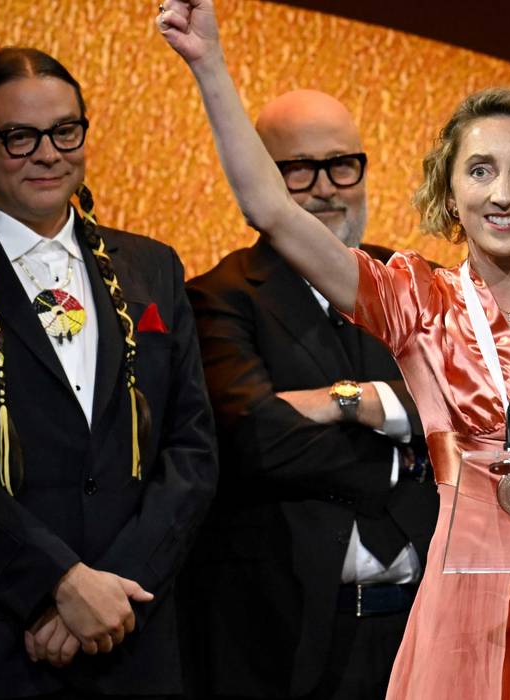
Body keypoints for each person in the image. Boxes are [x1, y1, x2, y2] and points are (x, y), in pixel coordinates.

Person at [158, 2, 510, 697]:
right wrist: (207, 63)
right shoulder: (416, 303)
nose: (502, 193)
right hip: (458, 616)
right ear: (448, 191)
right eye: (480, 170)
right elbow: (271, 211)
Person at [0, 47, 217, 698]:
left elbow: (191, 450)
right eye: (20, 137)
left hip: (131, 639)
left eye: (65, 131)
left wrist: (112, 594)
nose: (48, 154)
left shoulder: (152, 267)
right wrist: (56, 583)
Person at [177, 88, 438, 699]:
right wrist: (406, 455)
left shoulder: (411, 282)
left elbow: (469, 402)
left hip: (424, 631)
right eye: (298, 169)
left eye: (342, 164)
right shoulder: (219, 296)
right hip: (287, 638)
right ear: (260, 177)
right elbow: (258, 442)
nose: (326, 187)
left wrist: (349, 401)